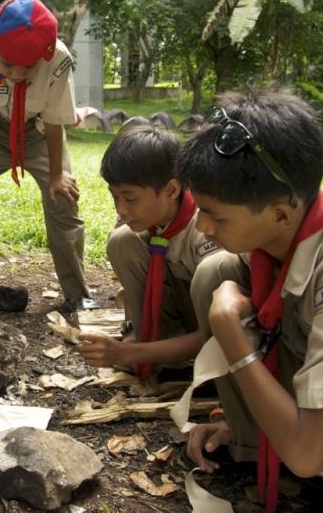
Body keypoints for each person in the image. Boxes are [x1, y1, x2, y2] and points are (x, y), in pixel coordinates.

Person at [179, 90, 323, 512]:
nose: (201, 227)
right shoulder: (275, 237)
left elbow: (309, 457)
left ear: (280, 213)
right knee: (215, 273)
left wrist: (235, 343)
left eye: (216, 216)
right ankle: (251, 442)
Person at [0, 0, 96, 312]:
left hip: (40, 133)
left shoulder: (58, 57)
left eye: (28, 68)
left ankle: (78, 294)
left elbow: (58, 118)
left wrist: (57, 174)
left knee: (64, 200)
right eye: (7, 65)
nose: (17, 75)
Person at [76, 127, 225, 379]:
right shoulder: (150, 223)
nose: (121, 209)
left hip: (221, 335)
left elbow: (220, 333)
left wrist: (128, 354)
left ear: (171, 190)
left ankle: (164, 355)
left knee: (211, 272)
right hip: (188, 318)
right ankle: (153, 343)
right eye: (115, 197)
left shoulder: (206, 233)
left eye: (130, 199)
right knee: (122, 241)